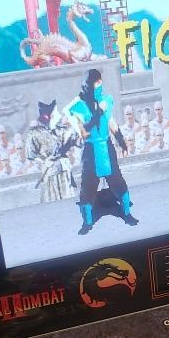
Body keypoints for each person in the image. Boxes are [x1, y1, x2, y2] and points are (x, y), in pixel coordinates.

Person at [67, 68, 138, 235]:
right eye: (95, 82)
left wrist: (121, 142)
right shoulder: (78, 106)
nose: (98, 85)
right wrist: (98, 112)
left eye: (99, 81)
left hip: (107, 147)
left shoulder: (106, 100)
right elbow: (84, 132)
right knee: (88, 186)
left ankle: (127, 214)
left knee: (117, 181)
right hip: (91, 150)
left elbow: (111, 123)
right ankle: (87, 223)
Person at [24, 100, 78, 202]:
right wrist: (43, 162)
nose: (58, 115)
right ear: (48, 116)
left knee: (68, 202)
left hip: (64, 171)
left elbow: (74, 138)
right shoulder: (35, 133)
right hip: (49, 175)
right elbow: (30, 155)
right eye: (54, 113)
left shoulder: (59, 130)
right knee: (53, 202)